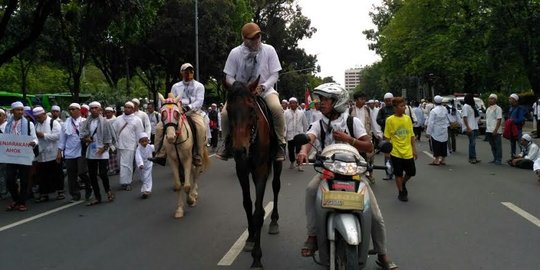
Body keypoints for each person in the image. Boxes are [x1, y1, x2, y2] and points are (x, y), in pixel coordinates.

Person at [296, 83, 398, 270]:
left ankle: (382, 254)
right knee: (310, 190)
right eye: (321, 99)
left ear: (338, 101)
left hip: (354, 174)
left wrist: (348, 139)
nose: (321, 103)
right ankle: (312, 236)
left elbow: (368, 147)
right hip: (327, 172)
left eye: (325, 100)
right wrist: (303, 151)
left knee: (375, 215)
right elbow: (310, 137)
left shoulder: (352, 122)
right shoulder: (319, 122)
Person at [217, 22, 285, 161]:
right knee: (224, 114)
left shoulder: (269, 50)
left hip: (264, 90)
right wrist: (238, 87)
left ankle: (280, 143)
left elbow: (275, 74)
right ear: (244, 38)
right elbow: (228, 76)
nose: (256, 40)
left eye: (258, 37)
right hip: (242, 93)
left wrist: (263, 87)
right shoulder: (235, 53)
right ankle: (227, 144)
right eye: (252, 38)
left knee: (276, 109)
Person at [149, 63, 206, 167]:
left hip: (193, 112)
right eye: (185, 71)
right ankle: (160, 154)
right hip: (176, 113)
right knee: (159, 127)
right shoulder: (175, 86)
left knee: (201, 127)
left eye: (190, 70)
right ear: (181, 72)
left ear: (193, 72)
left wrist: (188, 107)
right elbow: (171, 100)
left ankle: (198, 154)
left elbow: (199, 101)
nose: (188, 73)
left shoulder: (199, 86)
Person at [4, 102, 38, 211]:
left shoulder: (29, 124)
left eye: (21, 110)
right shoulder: (7, 124)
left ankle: (22, 202)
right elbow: (5, 139)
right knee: (9, 179)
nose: (20, 112)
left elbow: (35, 138)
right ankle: (16, 199)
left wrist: (33, 143)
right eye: (17, 110)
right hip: (11, 156)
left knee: (24, 180)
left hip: (24, 155)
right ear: (12, 111)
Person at [80, 102, 114, 205]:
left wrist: (103, 149)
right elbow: (82, 135)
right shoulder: (86, 122)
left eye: (96, 108)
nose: (94, 110)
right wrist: (86, 139)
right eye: (92, 108)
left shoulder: (105, 122)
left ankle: (108, 191)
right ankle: (97, 197)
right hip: (91, 150)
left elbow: (109, 138)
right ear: (90, 110)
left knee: (103, 173)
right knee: (92, 175)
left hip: (103, 151)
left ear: (100, 110)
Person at [57, 103, 92, 202]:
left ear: (79, 110)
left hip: (81, 151)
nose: (71, 111)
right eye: (70, 109)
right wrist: (59, 152)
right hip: (69, 152)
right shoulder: (65, 123)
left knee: (82, 172)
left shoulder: (85, 122)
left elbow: (90, 135)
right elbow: (62, 139)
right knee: (71, 175)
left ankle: (89, 187)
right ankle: (75, 194)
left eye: (73, 109)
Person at [384, 97, 417, 202]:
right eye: (401, 106)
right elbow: (387, 137)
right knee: (398, 173)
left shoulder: (407, 119)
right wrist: (387, 152)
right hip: (395, 152)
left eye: (404, 106)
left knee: (411, 172)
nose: (404, 108)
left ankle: (402, 182)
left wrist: (414, 149)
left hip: (407, 151)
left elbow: (411, 135)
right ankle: (401, 192)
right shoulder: (390, 120)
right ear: (395, 107)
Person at [33, 106, 64, 202]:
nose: (38, 119)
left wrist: (44, 135)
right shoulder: (36, 125)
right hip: (42, 154)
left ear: (44, 114)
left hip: (54, 153)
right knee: (42, 175)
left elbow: (58, 136)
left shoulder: (53, 123)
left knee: (56, 173)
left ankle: (60, 192)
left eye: (39, 117)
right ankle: (44, 194)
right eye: (36, 117)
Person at [113, 101, 144, 191]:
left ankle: (126, 183)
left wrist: (140, 146)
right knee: (120, 164)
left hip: (130, 145)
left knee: (127, 165)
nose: (126, 109)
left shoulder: (137, 120)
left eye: (129, 107)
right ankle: (124, 181)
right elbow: (113, 131)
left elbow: (140, 134)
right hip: (119, 145)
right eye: (125, 107)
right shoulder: (118, 119)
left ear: (133, 109)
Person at [350, 91, 378, 182]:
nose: (364, 101)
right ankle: (356, 175)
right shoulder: (350, 110)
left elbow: (373, 123)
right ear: (356, 100)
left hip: (367, 137)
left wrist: (378, 135)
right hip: (355, 139)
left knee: (370, 157)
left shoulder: (368, 110)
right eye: (361, 99)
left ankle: (370, 174)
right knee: (356, 158)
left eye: (364, 99)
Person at [284, 97, 308, 171]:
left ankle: (300, 165)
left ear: (297, 104)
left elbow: (305, 124)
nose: (292, 104)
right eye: (291, 103)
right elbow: (284, 124)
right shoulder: (286, 113)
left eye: (294, 103)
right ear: (289, 104)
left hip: (299, 135)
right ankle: (292, 162)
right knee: (290, 150)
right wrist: (284, 134)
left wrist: (305, 134)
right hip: (290, 134)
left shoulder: (301, 113)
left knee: (299, 151)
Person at [377, 92, 395, 180]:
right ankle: (388, 173)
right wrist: (386, 121)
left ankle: (397, 172)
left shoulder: (396, 108)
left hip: (397, 136)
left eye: (390, 100)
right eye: (386, 101)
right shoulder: (382, 110)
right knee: (387, 155)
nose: (388, 102)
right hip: (387, 135)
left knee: (397, 154)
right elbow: (378, 120)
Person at [426, 95, 448, 165]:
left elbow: (431, 122)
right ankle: (443, 159)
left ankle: (436, 160)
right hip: (444, 129)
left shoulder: (433, 111)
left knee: (436, 144)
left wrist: (428, 132)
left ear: (434, 102)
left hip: (436, 130)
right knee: (443, 144)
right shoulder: (445, 109)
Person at [462, 93, 481, 164]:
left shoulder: (472, 106)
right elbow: (465, 117)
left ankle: (474, 157)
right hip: (470, 127)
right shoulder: (466, 106)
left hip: (474, 126)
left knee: (473, 143)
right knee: (472, 143)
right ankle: (472, 158)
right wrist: (468, 127)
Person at [135, 132, 154, 199]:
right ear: (139, 142)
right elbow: (138, 157)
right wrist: (140, 164)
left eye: (146, 141)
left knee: (147, 177)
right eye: (142, 141)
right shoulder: (138, 149)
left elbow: (156, 148)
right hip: (142, 166)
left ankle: (146, 191)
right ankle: (147, 189)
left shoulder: (150, 146)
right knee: (143, 178)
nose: (144, 143)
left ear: (148, 141)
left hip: (149, 164)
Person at [506, 93, 526, 159]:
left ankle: (522, 157)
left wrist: (513, 120)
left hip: (517, 129)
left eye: (510, 98)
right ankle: (513, 157)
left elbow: (521, 119)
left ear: (515, 100)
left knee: (520, 144)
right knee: (512, 144)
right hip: (511, 129)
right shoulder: (511, 108)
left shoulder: (519, 109)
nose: (509, 100)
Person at [485, 94, 503, 165]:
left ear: (495, 100)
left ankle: (499, 159)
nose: (490, 100)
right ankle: (495, 158)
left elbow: (499, 119)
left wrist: (496, 129)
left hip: (496, 130)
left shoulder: (498, 108)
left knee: (498, 145)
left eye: (492, 99)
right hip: (488, 130)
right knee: (492, 145)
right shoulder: (488, 108)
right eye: (489, 98)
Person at [104, 107, 119, 176]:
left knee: (113, 155)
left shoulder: (116, 120)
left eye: (109, 112)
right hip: (106, 141)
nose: (107, 114)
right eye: (106, 112)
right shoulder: (103, 120)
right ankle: (110, 168)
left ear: (113, 113)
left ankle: (114, 169)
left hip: (114, 140)